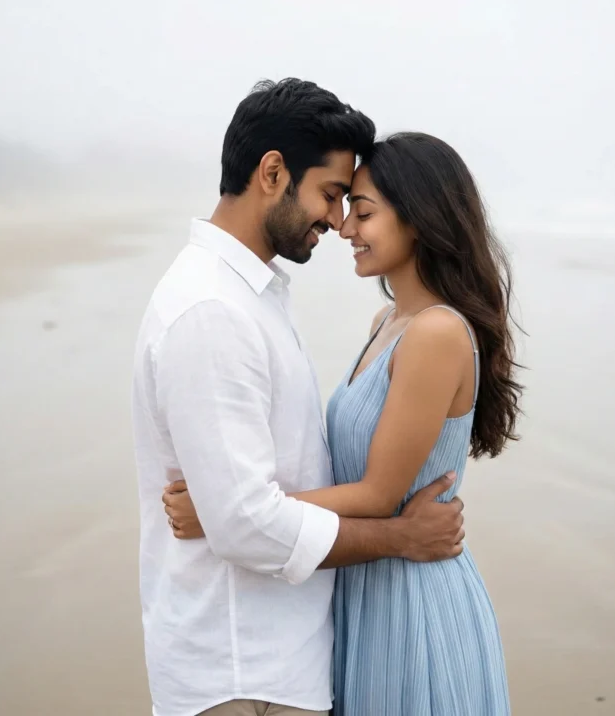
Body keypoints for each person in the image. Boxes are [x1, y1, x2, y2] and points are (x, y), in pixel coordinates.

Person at [132, 79, 468, 716]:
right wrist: (401, 537)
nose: (337, 221)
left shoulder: (251, 297)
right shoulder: (212, 311)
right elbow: (245, 525)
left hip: (281, 661)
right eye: (332, 195)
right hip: (241, 672)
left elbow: (247, 506)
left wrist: (226, 513)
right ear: (272, 173)